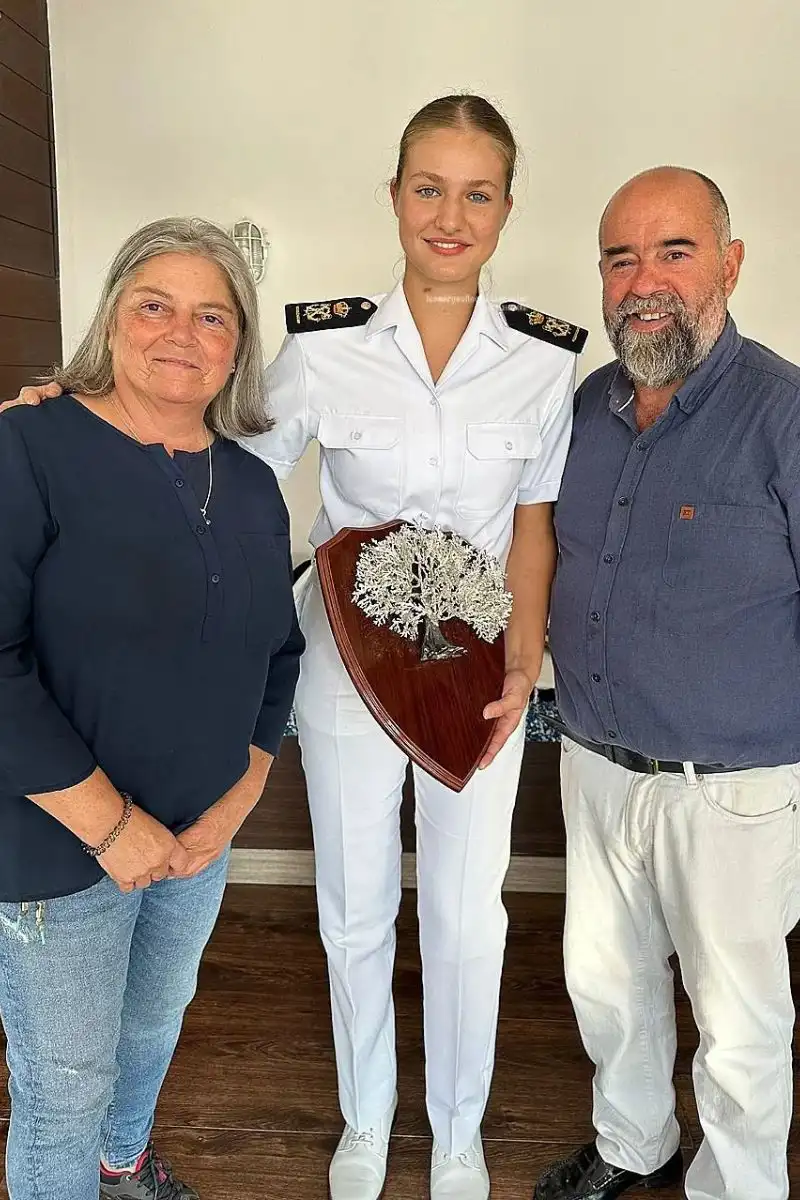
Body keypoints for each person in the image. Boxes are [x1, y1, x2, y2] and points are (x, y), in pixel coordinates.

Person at [6, 95, 587, 1200]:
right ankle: (366, 1119)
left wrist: (521, 659)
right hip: (341, 668)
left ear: (506, 208)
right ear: (395, 196)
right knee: (353, 904)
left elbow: (532, 524)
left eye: (475, 193)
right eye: (428, 187)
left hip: (477, 677)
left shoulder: (545, 360)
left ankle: (455, 1132)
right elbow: (204, 451)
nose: (448, 215)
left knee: (467, 914)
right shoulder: (321, 348)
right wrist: (66, 407)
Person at [0, 218, 303, 1200]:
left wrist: (235, 804)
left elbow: (279, 656)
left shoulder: (253, 486)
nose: (183, 333)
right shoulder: (27, 447)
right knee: (62, 1085)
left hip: (195, 848)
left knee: (151, 1022)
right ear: (113, 319)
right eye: (155, 305)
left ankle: (122, 1164)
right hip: (60, 852)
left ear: (237, 348)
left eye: (212, 316)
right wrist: (114, 828)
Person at [536, 166, 800, 1200]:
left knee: (736, 1023)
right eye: (618, 257)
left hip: (729, 787)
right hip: (593, 762)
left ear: (728, 264)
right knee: (607, 989)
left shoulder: (781, 415)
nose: (641, 280)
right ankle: (630, 1143)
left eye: (672, 251)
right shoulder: (583, 412)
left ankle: (734, 1187)